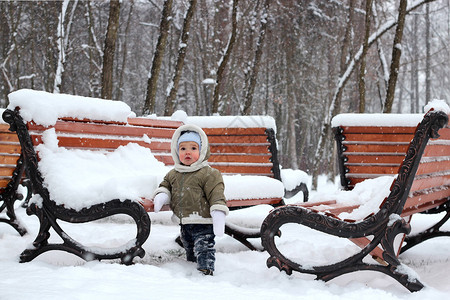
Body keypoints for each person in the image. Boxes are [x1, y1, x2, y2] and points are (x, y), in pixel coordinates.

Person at [151, 124, 228, 276]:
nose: (188, 152)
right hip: (184, 222)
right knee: (189, 246)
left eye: (193, 148)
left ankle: (205, 269)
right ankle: (191, 264)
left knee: (204, 247)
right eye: (183, 148)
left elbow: (216, 192)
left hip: (203, 222)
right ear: (176, 151)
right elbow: (165, 185)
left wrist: (218, 212)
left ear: (202, 150)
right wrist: (162, 195)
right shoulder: (174, 173)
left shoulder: (208, 173)